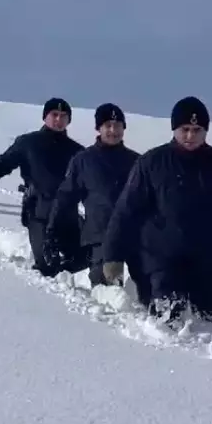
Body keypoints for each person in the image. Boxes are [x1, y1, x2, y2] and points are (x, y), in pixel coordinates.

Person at [101, 96, 212, 328]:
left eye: (197, 130)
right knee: (168, 326)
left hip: (210, 261)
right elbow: (125, 212)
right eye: (184, 129)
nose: (190, 136)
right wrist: (112, 255)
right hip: (163, 262)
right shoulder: (152, 163)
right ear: (175, 128)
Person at [0, 97, 85, 277]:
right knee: (46, 266)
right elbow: (1, 166)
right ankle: (40, 282)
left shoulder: (78, 151)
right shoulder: (28, 143)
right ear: (45, 117)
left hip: (69, 216)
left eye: (64, 116)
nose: (59, 120)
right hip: (38, 213)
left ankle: (61, 276)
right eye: (54, 115)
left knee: (85, 257)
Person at [45, 103, 148, 303]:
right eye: (108, 125)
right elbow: (65, 199)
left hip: (137, 238)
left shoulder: (138, 162)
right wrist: (51, 233)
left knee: (142, 296)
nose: (113, 130)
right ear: (98, 128)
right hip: (101, 237)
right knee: (109, 298)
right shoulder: (84, 161)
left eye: (117, 125)